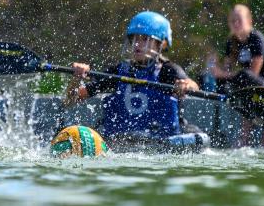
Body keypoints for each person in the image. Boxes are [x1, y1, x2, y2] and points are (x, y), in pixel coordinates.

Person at [64, 11, 205, 150]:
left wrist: (187, 85)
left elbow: (192, 85)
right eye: (135, 39)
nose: (138, 44)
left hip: (163, 144)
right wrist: (77, 78)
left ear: (161, 44)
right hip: (120, 143)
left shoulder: (168, 70)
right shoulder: (118, 71)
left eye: (145, 39)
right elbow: (71, 100)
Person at [209, 4, 264, 146]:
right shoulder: (232, 42)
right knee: (225, 83)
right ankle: (242, 142)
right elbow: (226, 68)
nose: (236, 23)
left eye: (239, 19)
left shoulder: (256, 38)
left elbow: (252, 74)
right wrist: (214, 68)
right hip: (250, 89)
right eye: (232, 20)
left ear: (249, 21)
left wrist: (223, 74)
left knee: (245, 76)